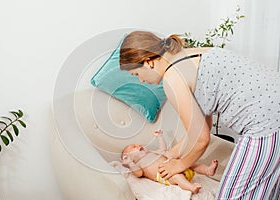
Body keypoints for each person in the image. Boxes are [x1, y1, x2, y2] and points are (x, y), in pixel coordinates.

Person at [119, 30, 280, 199]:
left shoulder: (173, 78)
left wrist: (178, 165)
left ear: (148, 62)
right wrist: (170, 154)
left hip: (267, 123)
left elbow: (202, 140)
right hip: (273, 115)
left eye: (136, 74)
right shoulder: (194, 54)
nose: (141, 80)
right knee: (268, 190)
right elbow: (202, 129)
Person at [121, 129, 218, 194]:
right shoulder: (138, 164)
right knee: (177, 177)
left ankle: (207, 170)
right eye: (134, 147)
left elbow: (163, 149)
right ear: (130, 157)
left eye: (137, 144)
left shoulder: (151, 152)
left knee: (191, 163)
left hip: (176, 166)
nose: (138, 146)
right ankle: (191, 187)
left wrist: (159, 137)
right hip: (165, 175)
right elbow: (138, 173)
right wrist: (130, 163)